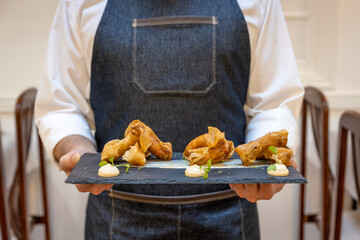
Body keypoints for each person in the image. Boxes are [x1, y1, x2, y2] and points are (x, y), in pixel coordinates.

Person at [35, 0, 304, 239]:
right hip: (117, 217)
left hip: (230, 213)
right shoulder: (78, 4)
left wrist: (263, 161)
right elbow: (62, 106)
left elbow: (274, 102)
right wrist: (76, 151)